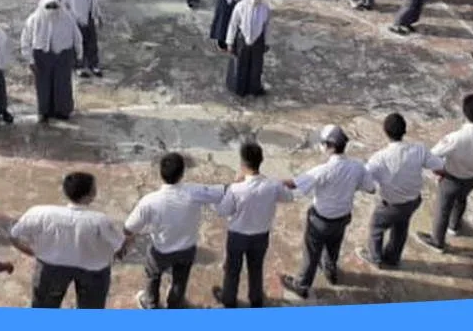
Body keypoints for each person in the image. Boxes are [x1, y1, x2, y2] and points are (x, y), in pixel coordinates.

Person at [281, 125, 375, 300]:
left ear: (329, 146)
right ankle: (331, 271)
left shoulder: (323, 170)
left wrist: (270, 183)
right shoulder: (357, 166)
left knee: (311, 252)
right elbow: (371, 189)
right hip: (342, 217)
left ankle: (301, 285)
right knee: (333, 245)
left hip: (320, 219)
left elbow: (295, 184)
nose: (321, 146)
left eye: (323, 143)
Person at [10, 171, 124, 309]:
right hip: (93, 272)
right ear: (91, 195)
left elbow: (14, 236)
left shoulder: (39, 213)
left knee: (45, 308)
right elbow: (120, 246)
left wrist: (31, 252)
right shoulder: (100, 221)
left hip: (50, 268)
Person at [125, 152, 223, 309]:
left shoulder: (149, 201)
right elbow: (221, 192)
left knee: (153, 275)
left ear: (161, 173)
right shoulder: (195, 192)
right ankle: (174, 305)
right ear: (182, 173)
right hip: (187, 249)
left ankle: (151, 303)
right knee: (180, 279)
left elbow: (129, 228)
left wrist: (126, 244)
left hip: (160, 250)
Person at [414, 94, 473, 253]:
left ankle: (437, 242)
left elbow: (430, 156)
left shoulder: (455, 138)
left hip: (452, 178)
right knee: (461, 200)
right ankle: (454, 226)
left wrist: (439, 169)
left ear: (464, 112)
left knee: (443, 209)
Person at [214, 142, 292, 308]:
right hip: (260, 236)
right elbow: (289, 197)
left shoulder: (236, 189)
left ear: (242, 164)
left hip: (237, 236)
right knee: (256, 270)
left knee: (232, 270)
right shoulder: (272, 185)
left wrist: (232, 185)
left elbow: (222, 210)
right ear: (261, 161)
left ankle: (229, 299)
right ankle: (256, 300)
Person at [360, 113, 444, 269]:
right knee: (401, 227)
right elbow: (439, 166)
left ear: (385, 132)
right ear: (405, 130)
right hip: (413, 202)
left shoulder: (379, 158)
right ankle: (393, 258)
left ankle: (375, 257)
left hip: (391, 205)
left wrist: (370, 189)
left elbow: (364, 180)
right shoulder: (419, 149)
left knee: (376, 228)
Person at [20, 0, 82, 122]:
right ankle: (44, 112)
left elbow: (77, 37)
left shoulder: (67, 18)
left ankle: (63, 111)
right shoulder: (34, 19)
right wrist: (30, 60)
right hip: (42, 56)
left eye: (54, 6)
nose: (52, 10)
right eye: (48, 7)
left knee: (62, 84)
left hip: (63, 55)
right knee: (43, 86)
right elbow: (25, 41)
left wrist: (79, 53)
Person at [226, 0, 270, 97]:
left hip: (258, 40)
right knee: (241, 65)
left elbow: (267, 26)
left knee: (256, 67)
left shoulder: (264, 9)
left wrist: (267, 42)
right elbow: (233, 24)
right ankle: (239, 89)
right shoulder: (240, 7)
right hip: (242, 39)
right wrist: (230, 42)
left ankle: (254, 88)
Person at [63, 0, 103, 78]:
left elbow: (94, 3)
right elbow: (65, 9)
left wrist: (98, 16)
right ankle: (78, 66)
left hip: (88, 19)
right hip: (75, 22)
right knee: (77, 45)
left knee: (92, 43)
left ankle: (93, 64)